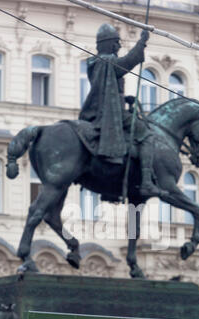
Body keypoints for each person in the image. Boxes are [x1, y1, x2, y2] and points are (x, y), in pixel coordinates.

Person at [79, 23, 161, 197]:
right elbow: (129, 61)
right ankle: (146, 181)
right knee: (146, 134)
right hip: (109, 114)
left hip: (107, 109)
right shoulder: (107, 61)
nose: (118, 46)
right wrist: (142, 42)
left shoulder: (97, 63)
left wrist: (126, 99)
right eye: (116, 43)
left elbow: (110, 89)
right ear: (108, 44)